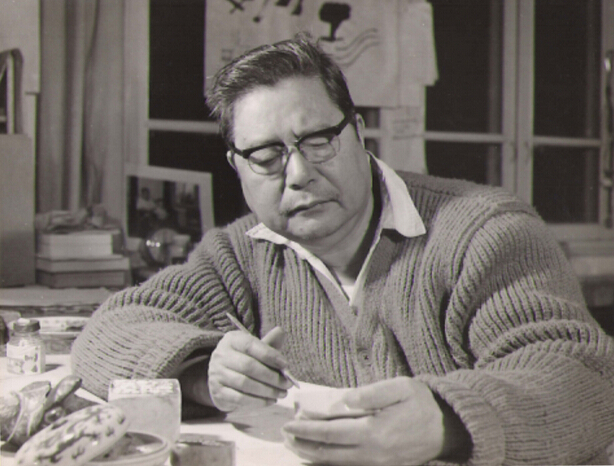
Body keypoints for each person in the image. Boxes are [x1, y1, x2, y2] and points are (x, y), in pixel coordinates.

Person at [72, 34, 614, 465]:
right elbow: (107, 332)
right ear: (237, 166)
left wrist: (446, 422)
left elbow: (584, 378)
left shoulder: (484, 231)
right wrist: (201, 372)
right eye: (266, 156)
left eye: (318, 141)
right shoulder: (239, 255)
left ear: (357, 132)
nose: (299, 174)